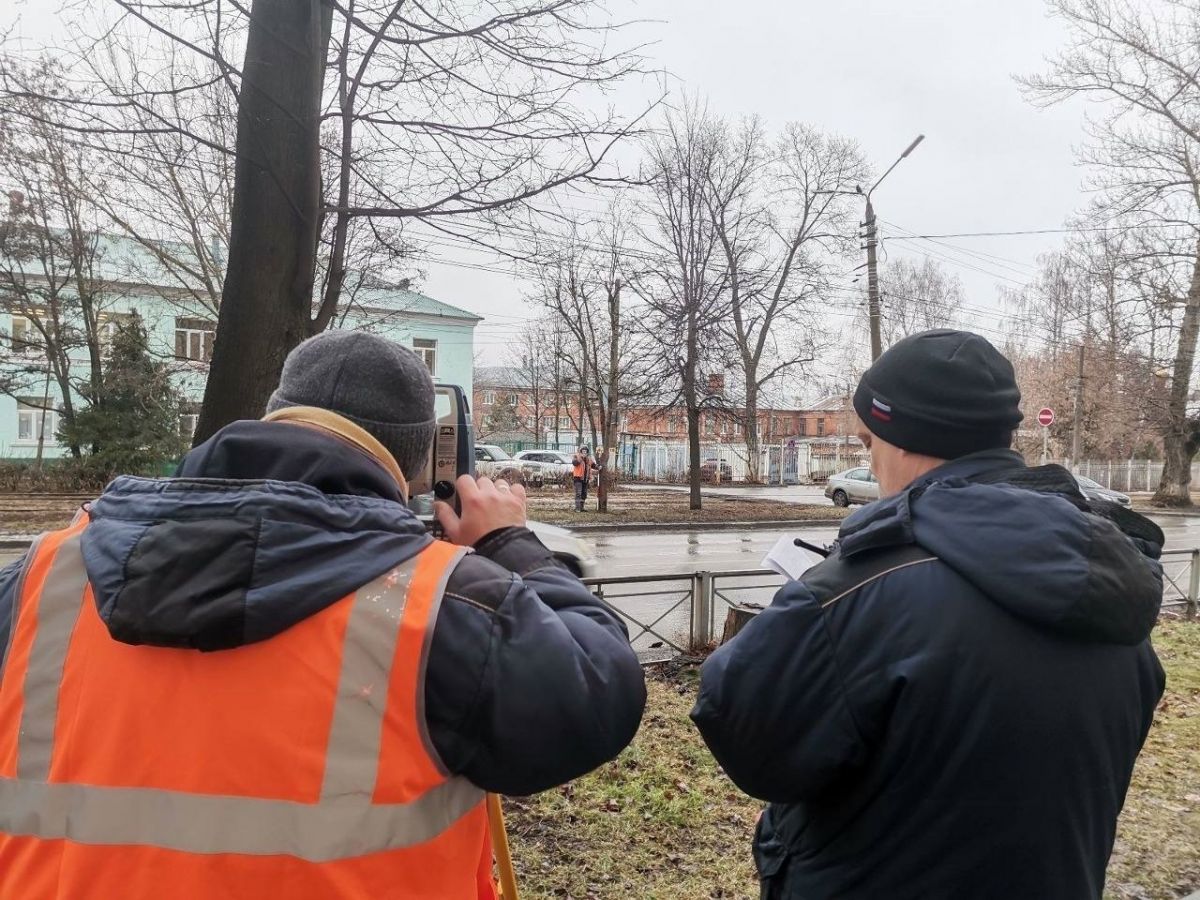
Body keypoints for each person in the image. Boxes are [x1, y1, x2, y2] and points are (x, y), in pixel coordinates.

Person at [0, 331, 646, 899]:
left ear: (272, 417)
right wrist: (509, 544)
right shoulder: (438, 605)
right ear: (420, 465)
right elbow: (601, 692)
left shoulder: (44, 576)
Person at [691, 330, 1165, 900]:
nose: (871, 459)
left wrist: (817, 604)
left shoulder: (861, 591)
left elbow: (744, 730)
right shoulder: (1112, 587)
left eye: (869, 442)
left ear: (901, 438)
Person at [571, 445, 599, 511]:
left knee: (584, 494)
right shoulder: (576, 457)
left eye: (585, 451)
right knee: (578, 493)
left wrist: (598, 467)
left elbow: (593, 465)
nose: (584, 453)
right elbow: (575, 463)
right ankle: (577, 508)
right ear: (580, 451)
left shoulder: (589, 459)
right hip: (578, 478)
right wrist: (581, 458)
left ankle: (582, 507)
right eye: (583, 451)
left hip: (585, 479)